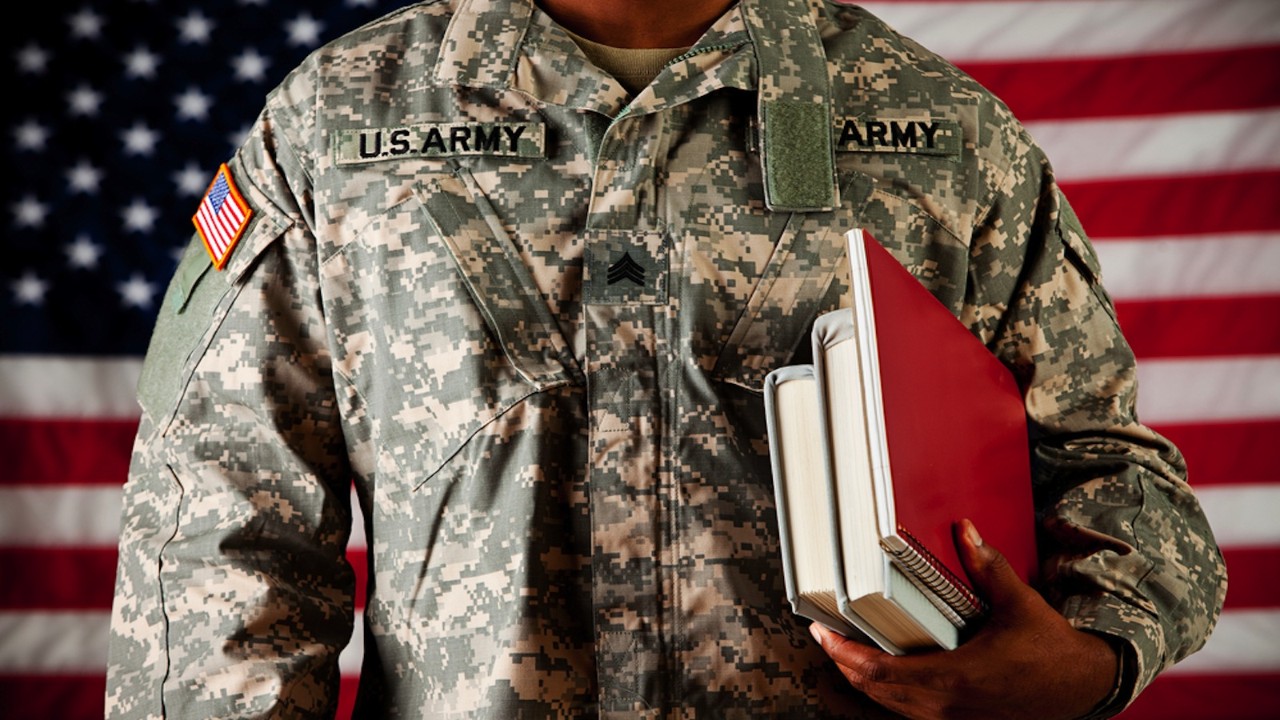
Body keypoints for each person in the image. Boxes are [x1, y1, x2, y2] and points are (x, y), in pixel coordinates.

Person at [106, 0, 1227, 717]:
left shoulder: (939, 131)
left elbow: (1104, 470)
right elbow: (218, 527)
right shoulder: (340, 126)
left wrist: (1090, 663)